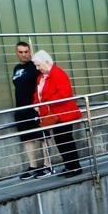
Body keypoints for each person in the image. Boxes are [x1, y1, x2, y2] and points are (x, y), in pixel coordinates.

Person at [32, 50, 85, 178]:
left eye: (39, 65)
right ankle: (69, 166)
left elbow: (64, 93)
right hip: (54, 114)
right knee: (61, 141)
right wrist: (36, 104)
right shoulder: (42, 77)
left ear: (47, 62)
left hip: (63, 113)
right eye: (36, 66)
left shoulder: (57, 73)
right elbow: (38, 94)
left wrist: (45, 102)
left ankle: (74, 167)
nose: (37, 68)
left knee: (65, 140)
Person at [10, 41, 46, 179]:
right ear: (16, 53)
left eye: (26, 51)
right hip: (20, 108)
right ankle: (33, 166)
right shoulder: (16, 68)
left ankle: (47, 164)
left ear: (30, 51)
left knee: (42, 136)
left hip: (34, 107)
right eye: (21, 52)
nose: (24, 54)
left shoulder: (35, 66)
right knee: (27, 138)